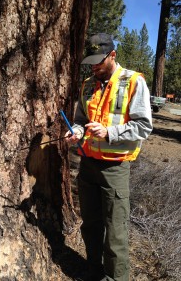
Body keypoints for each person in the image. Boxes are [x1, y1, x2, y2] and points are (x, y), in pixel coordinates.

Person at [65, 33, 153, 281]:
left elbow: (144, 127)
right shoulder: (88, 85)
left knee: (115, 234)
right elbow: (81, 121)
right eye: (90, 62)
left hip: (115, 169)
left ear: (112, 55)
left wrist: (109, 133)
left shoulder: (133, 82)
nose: (94, 67)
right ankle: (94, 273)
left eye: (99, 62)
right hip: (88, 165)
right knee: (91, 226)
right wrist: (77, 132)